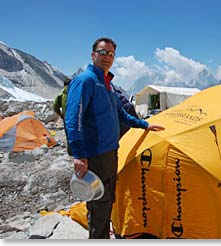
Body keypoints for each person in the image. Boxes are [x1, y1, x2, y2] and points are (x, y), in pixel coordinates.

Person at [64, 37, 165, 239]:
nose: (107, 57)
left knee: (108, 201)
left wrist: (145, 124)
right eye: (103, 52)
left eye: (111, 54)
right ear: (93, 55)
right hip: (95, 156)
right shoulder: (85, 81)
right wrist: (79, 155)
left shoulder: (107, 84)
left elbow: (121, 115)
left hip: (111, 153)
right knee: (99, 206)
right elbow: (73, 118)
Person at [52, 77, 72, 155]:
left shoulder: (61, 93)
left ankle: (70, 152)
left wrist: (60, 114)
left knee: (68, 134)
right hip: (77, 116)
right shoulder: (75, 92)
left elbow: (55, 105)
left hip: (66, 117)